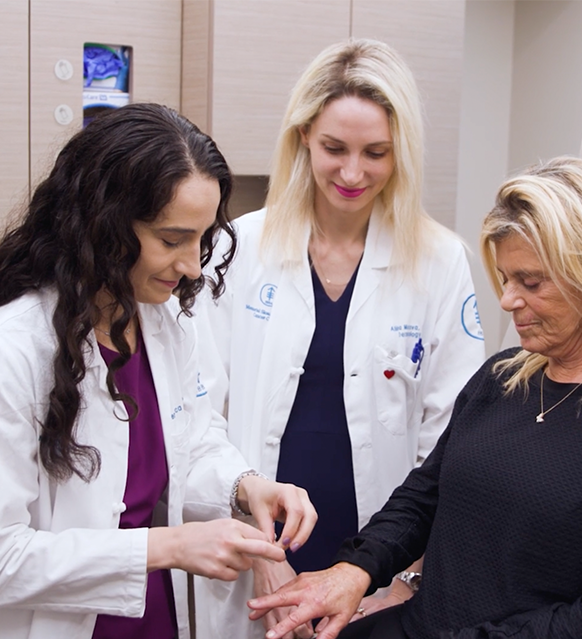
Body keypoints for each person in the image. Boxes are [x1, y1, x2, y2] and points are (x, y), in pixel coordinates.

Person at [249, 156, 582, 639]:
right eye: (506, 279)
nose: (509, 299)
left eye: (530, 282)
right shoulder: (502, 379)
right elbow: (423, 498)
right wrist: (355, 570)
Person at [0, 103, 316, 639]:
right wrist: (167, 546)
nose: (193, 265)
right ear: (102, 226)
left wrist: (246, 487)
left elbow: (190, 442)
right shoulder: (4, 352)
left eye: (201, 239)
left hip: (147, 613)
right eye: (171, 240)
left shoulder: (164, 320)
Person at [193, 39, 485, 638]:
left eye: (375, 152)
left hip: (377, 570)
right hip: (254, 557)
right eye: (334, 148)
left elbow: (453, 441)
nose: (353, 173)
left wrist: (404, 579)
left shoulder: (438, 261)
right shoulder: (237, 248)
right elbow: (195, 415)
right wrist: (258, 557)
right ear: (303, 136)